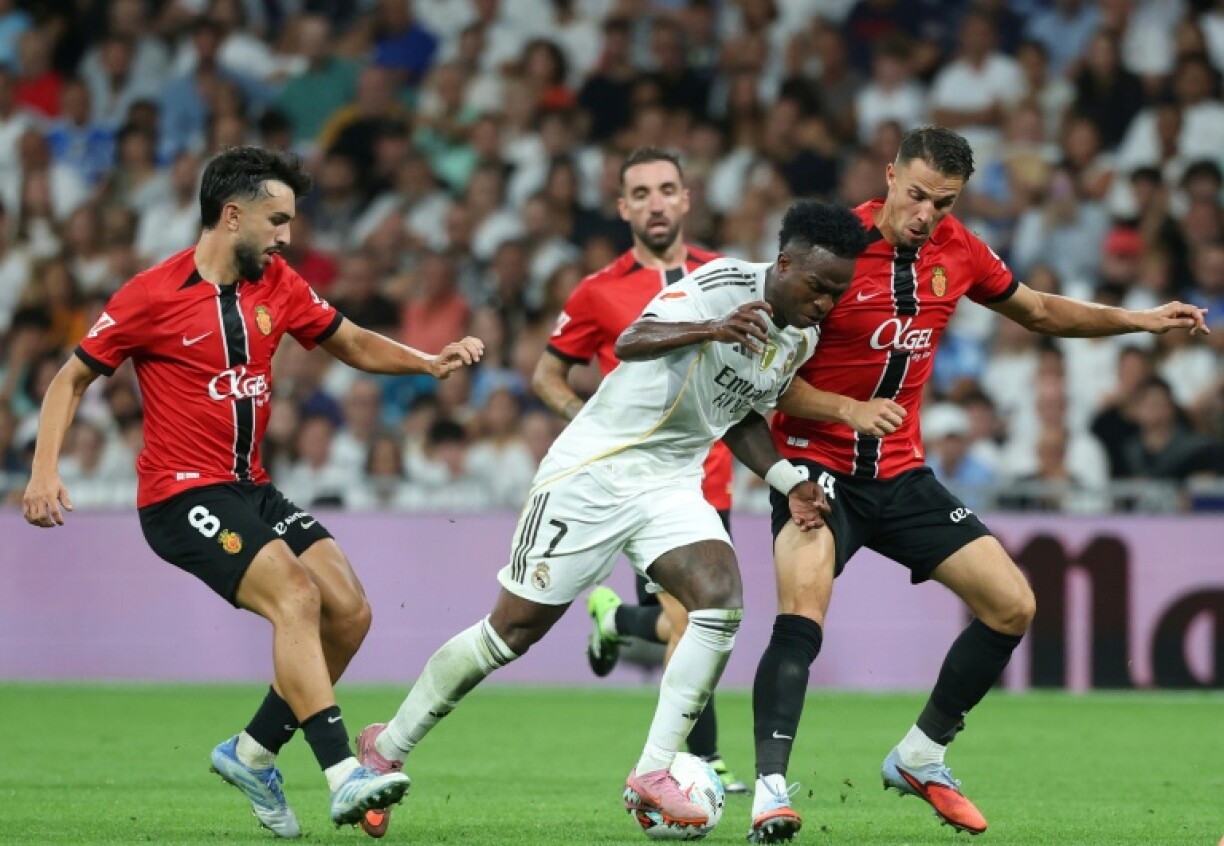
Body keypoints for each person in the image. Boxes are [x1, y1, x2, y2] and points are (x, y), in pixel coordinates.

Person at [745, 126, 1209, 844]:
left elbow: (1040, 311)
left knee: (1012, 604)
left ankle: (921, 754)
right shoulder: (834, 251)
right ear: (891, 175)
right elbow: (770, 384)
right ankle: (771, 791)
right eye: (918, 194)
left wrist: (1139, 321)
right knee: (803, 613)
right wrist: (847, 410)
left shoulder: (957, 249)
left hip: (901, 475)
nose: (927, 213)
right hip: (816, 471)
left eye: (945, 201)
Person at [353, 200, 869, 840]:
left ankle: (653, 771)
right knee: (511, 633)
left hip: (670, 480)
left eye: (836, 293)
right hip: (593, 472)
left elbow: (739, 412)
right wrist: (710, 330)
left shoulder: (801, 336)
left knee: (720, 600)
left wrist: (789, 480)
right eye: (817, 287)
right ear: (784, 263)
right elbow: (631, 342)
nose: (824, 303)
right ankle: (386, 746)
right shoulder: (719, 286)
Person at [22, 145, 484, 838]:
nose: (287, 237)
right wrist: (42, 471)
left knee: (350, 613)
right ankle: (342, 774)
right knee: (295, 597)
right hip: (180, 497)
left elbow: (349, 341)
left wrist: (428, 363)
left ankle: (253, 752)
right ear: (231, 216)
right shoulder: (149, 295)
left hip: (251, 487)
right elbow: (70, 379)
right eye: (277, 220)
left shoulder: (279, 284)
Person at [529, 145, 747, 796]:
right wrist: (593, 425)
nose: (656, 203)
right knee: (692, 620)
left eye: (667, 189)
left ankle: (615, 620)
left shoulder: (727, 277)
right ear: (623, 207)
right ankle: (698, 760)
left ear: (687, 198)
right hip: (641, 484)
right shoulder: (598, 292)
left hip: (711, 479)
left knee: (697, 619)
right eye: (641, 193)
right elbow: (546, 375)